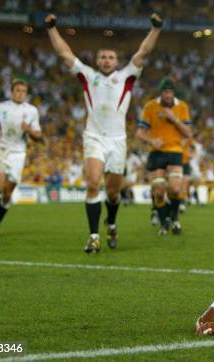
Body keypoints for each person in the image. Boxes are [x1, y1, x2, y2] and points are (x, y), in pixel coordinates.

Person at [46, 13, 162, 252]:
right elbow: (65, 54)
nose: (107, 60)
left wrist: (156, 29)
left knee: (112, 192)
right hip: (94, 137)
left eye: (110, 57)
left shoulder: (127, 75)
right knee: (92, 184)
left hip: (118, 140)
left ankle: (111, 222)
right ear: (97, 61)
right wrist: (51, 29)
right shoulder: (89, 76)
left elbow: (143, 52)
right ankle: (94, 235)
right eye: (103, 57)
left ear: (116, 61)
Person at [0, 78, 43, 238]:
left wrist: (28, 130)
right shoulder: (1, 107)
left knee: (7, 194)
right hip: (0, 149)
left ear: (26, 94)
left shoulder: (31, 111)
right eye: (18, 90)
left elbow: (38, 136)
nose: (20, 94)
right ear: (12, 92)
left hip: (18, 153)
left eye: (23, 92)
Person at [137, 78, 192, 235]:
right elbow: (140, 132)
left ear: (173, 93)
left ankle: (174, 219)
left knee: (175, 189)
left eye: (170, 92)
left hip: (175, 151)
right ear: (160, 93)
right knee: (159, 192)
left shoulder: (182, 107)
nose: (167, 95)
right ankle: (164, 223)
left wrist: (174, 119)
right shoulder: (150, 106)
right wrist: (151, 140)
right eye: (165, 92)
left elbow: (188, 132)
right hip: (157, 153)